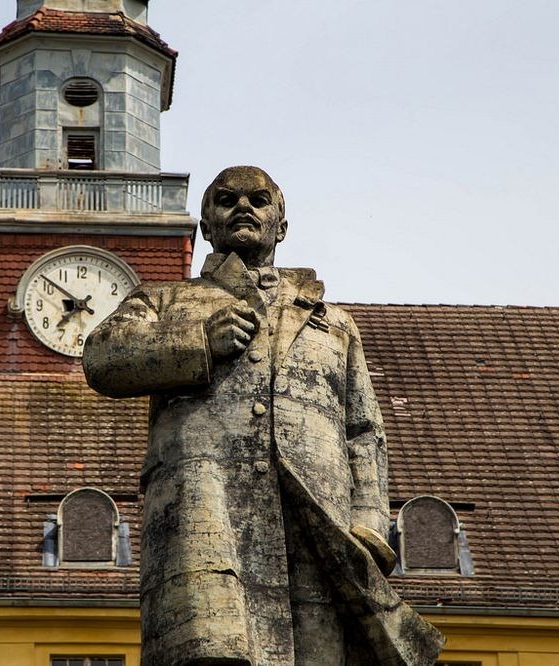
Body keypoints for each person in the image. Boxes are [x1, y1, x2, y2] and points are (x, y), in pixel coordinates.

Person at [83, 166, 443, 665]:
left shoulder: (331, 321)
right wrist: (198, 341)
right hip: (205, 506)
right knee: (211, 647)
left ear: (281, 225)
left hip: (319, 515)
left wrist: (368, 522)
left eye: (258, 199)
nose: (243, 208)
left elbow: (363, 430)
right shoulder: (165, 299)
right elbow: (102, 357)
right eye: (227, 199)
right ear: (206, 225)